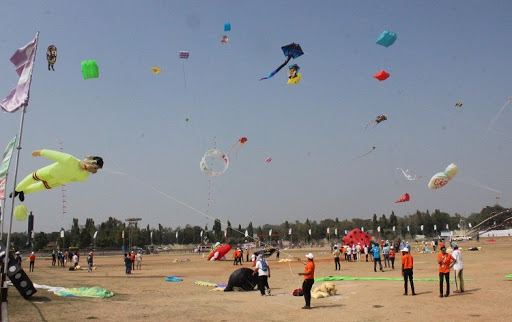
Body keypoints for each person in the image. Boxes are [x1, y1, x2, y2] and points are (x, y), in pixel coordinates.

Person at [10, 150, 103, 202]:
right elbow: (56, 155)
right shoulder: (70, 160)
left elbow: (75, 179)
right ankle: (17, 189)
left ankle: (24, 191)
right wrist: (42, 152)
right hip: (50, 172)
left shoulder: (84, 176)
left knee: (39, 187)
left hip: (57, 181)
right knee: (33, 177)